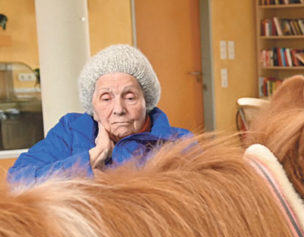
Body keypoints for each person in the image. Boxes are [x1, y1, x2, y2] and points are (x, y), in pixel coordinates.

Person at [7, 44, 192, 184]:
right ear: (92, 106)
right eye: (106, 98)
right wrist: (91, 158)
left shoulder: (179, 142)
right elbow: (17, 179)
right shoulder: (71, 131)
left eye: (129, 97)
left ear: (147, 101)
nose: (118, 109)